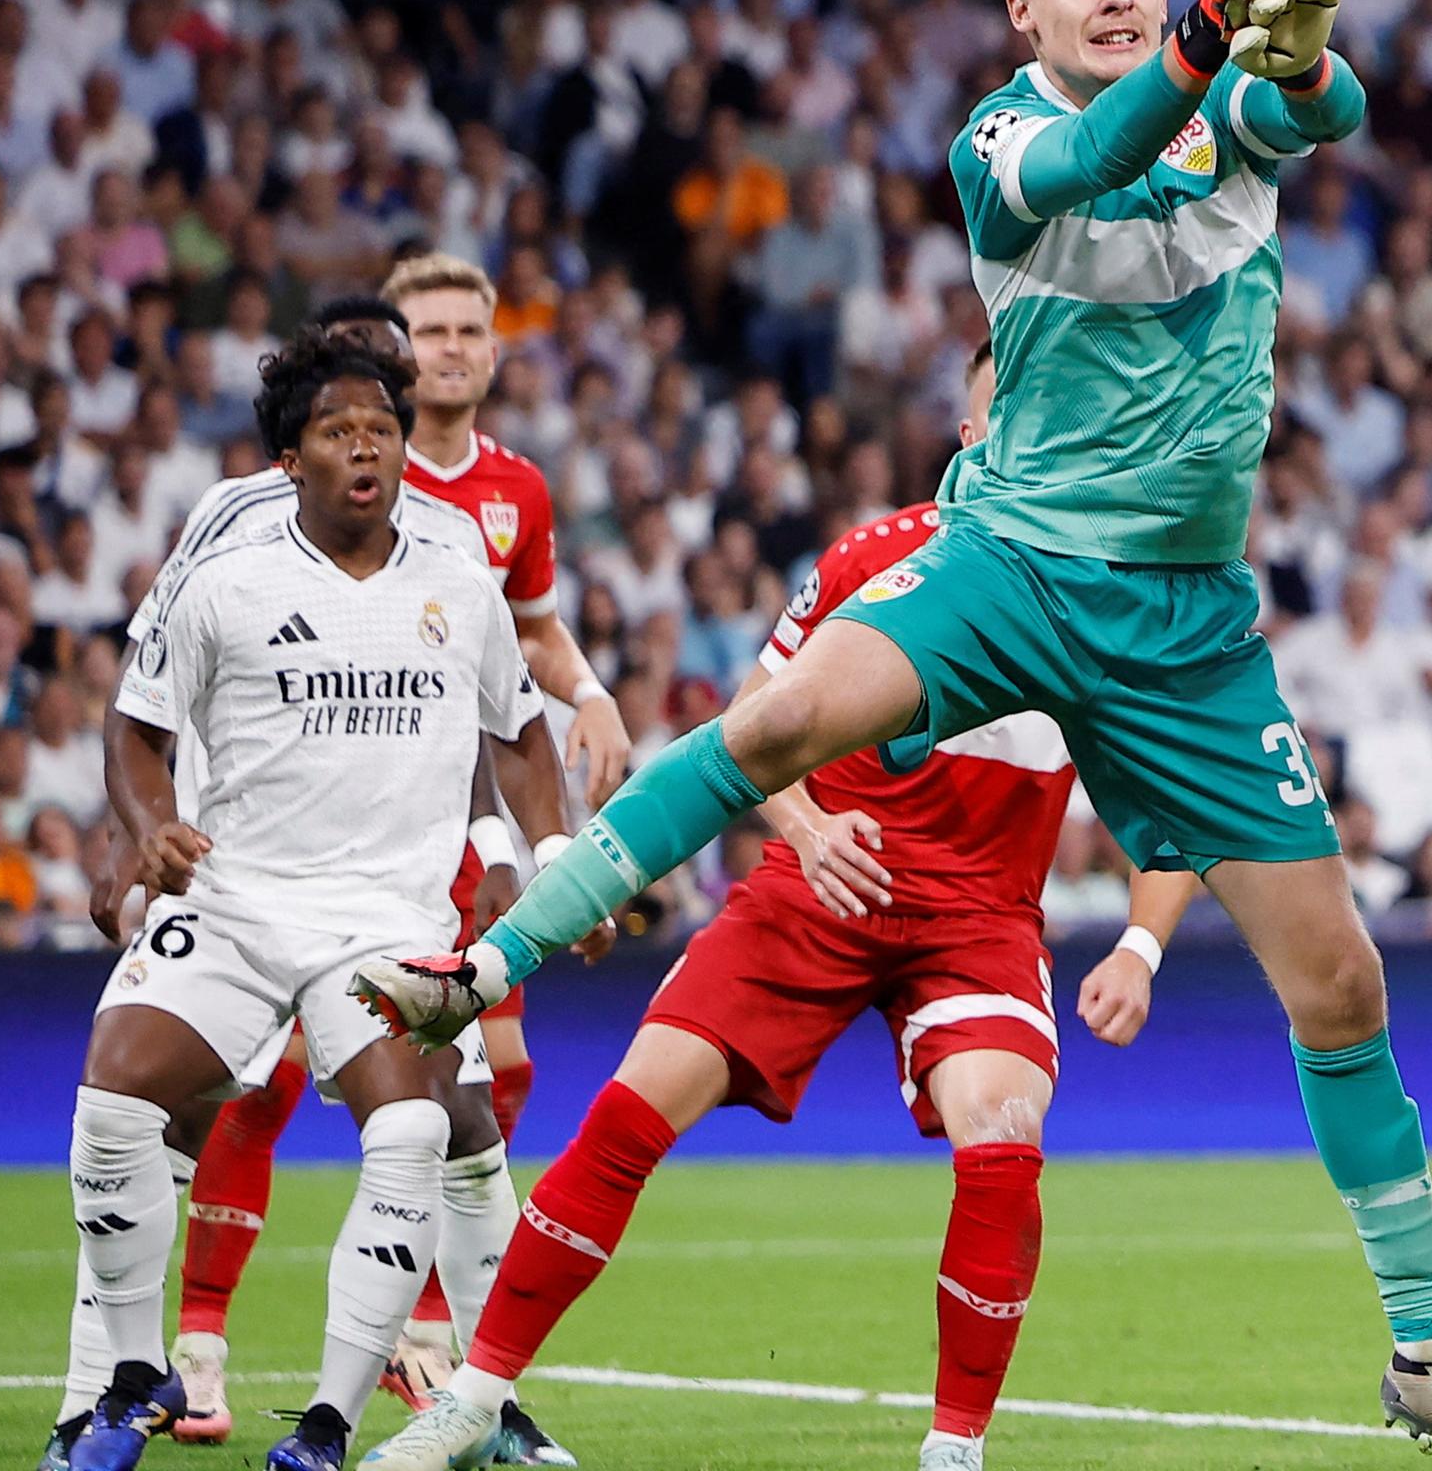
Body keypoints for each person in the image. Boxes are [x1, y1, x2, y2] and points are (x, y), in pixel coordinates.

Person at [350, 0, 1432, 1471]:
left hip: (1186, 617)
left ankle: (1426, 1359)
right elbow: (1104, 150)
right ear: (1024, 9)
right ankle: (486, 971)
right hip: (1011, 564)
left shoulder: (1217, 98)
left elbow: (1321, 116)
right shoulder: (998, 139)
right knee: (778, 720)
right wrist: (1211, 34)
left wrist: (1299, 50)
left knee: (1340, 982)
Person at [362, 345, 1199, 1471]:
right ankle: (474, 1401)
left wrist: (1142, 945)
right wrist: (804, 828)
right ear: (968, 433)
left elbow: (1172, 808)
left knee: (1003, 1137)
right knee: (631, 1112)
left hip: (979, 922)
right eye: (1009, 409)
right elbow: (752, 722)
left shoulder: (1112, 598)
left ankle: (955, 1455)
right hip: (812, 894)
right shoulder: (878, 555)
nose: (1029, 431)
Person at [54, 299, 574, 1468]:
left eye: (382, 422)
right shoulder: (227, 551)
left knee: (437, 1123)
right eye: (341, 425)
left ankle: (381, 1416)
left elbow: (520, 729)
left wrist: (538, 865)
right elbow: (140, 715)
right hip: (240, 896)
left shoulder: (459, 560)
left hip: (391, 911)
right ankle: (126, 1378)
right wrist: (140, 833)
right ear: (291, 453)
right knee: (130, 1103)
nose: (368, 442)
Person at [173, 257, 633, 1428]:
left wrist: (590, 701)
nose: (449, 350)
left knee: (479, 1090)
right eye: (427, 330)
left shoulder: (511, 494)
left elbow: (523, 647)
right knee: (256, 1085)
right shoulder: (287, 497)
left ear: (493, 348)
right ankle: (198, 1347)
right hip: (283, 848)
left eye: (469, 330)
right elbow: (187, 661)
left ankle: (443, 1348)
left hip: (437, 838)